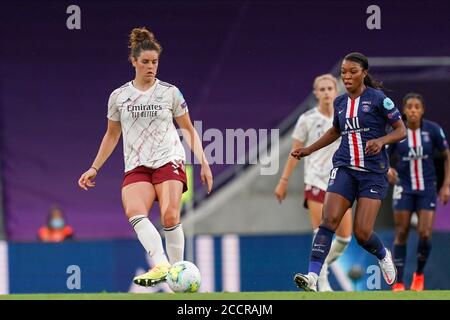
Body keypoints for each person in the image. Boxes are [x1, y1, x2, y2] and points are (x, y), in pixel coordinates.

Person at [77, 27, 213, 287]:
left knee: (170, 216)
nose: (151, 67)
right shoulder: (118, 97)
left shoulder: (170, 92)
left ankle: (176, 280)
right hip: (137, 164)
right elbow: (112, 134)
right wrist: (95, 167)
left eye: (155, 62)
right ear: (134, 62)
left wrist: (204, 162)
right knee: (134, 211)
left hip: (168, 159)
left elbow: (188, 128)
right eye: (146, 62)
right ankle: (161, 264)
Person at [291, 52, 406, 291]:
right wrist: (308, 149)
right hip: (344, 168)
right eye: (343, 72)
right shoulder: (340, 102)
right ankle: (313, 277)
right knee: (328, 221)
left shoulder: (378, 99)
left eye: (352, 72)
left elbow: (400, 130)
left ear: (364, 73)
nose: (347, 76)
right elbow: (336, 131)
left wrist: (382, 141)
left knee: (362, 233)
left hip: (372, 173)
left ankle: (383, 255)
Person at [274, 74, 352, 292]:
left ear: (336, 91)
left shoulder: (346, 116)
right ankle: (321, 280)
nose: (327, 92)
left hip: (341, 181)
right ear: (316, 93)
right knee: (321, 232)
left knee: (345, 237)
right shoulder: (307, 119)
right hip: (315, 181)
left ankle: (321, 267)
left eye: (330, 88)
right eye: (322, 89)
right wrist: (284, 180)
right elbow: (295, 152)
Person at [388, 93, 450, 291]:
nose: (413, 110)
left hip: (427, 187)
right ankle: (398, 282)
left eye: (417, 107)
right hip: (403, 187)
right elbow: (382, 156)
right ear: (404, 111)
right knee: (402, 231)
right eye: (410, 107)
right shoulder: (397, 131)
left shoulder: (433, 130)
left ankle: (419, 276)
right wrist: (387, 169)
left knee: (424, 233)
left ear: (422, 110)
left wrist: (446, 185)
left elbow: (447, 156)